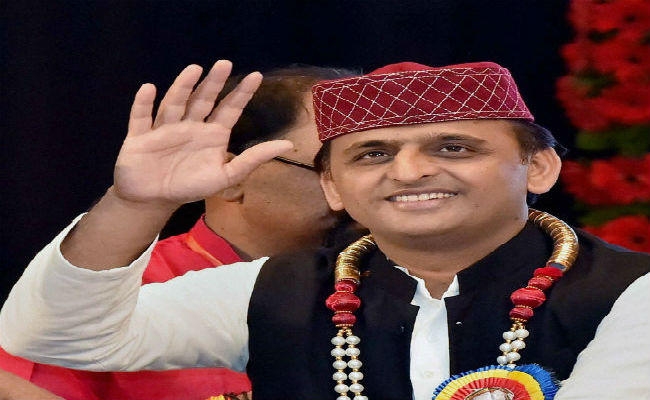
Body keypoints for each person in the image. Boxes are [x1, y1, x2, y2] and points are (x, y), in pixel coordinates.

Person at [1, 60, 649, 400]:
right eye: (372, 154)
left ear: (539, 167)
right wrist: (134, 204)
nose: (409, 171)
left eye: (453, 147)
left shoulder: (631, 295)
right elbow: (57, 337)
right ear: (335, 187)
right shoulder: (271, 290)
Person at [0, 63, 359, 400]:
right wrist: (134, 206)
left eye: (372, 158)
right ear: (233, 178)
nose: (362, 188)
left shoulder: (379, 281)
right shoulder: (108, 296)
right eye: (329, 167)